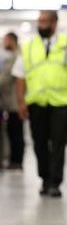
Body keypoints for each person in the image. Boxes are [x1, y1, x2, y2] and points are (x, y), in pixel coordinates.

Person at [12, 10, 67, 197]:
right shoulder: (28, 46)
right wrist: (21, 102)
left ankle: (55, 182)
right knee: (39, 143)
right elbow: (20, 77)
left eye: (44, 21)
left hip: (63, 103)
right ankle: (44, 178)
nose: (41, 25)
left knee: (58, 142)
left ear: (54, 23)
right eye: (39, 21)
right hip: (37, 102)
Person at [0, 32, 24, 170]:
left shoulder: (15, 57)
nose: (4, 43)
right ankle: (16, 160)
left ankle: (16, 161)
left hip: (14, 102)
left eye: (5, 40)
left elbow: (5, 78)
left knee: (15, 132)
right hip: (13, 101)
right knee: (14, 131)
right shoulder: (17, 56)